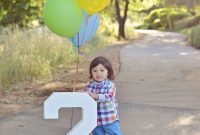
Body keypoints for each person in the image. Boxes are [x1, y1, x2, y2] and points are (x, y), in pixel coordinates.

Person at [84, 56, 122, 135]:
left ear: (108, 72)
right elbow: (85, 98)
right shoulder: (89, 85)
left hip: (109, 118)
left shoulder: (110, 85)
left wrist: (96, 96)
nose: (98, 73)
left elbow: (109, 96)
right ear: (91, 72)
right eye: (95, 71)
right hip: (95, 119)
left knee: (115, 133)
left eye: (102, 70)